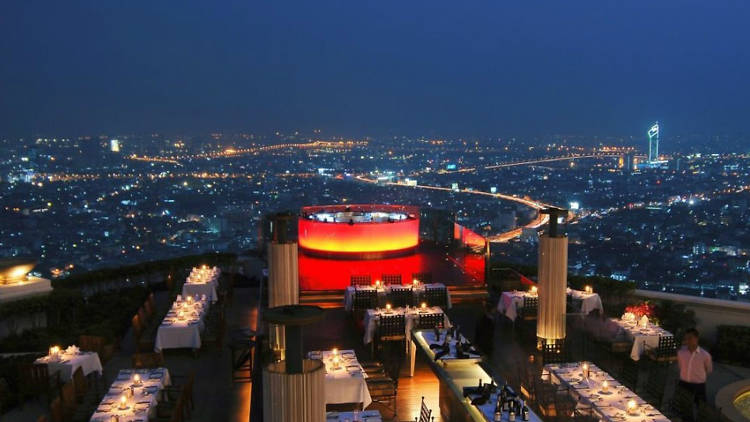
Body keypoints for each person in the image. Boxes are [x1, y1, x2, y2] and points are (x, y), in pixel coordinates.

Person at [677, 328, 713, 405]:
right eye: (686, 339)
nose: (687, 341)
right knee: (680, 406)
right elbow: (681, 366)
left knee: (700, 407)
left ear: (696, 338)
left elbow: (708, 370)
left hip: (698, 385)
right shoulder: (681, 353)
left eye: (690, 338)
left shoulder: (705, 355)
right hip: (683, 383)